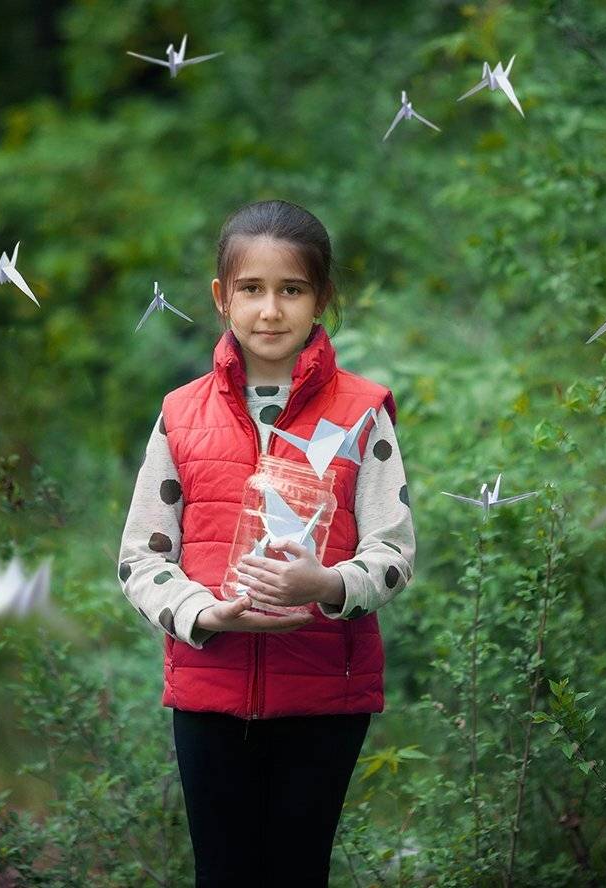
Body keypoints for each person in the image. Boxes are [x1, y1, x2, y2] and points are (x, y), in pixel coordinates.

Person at [118, 199, 415, 887]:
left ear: (321, 299)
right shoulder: (179, 415)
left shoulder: (361, 412)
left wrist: (326, 585)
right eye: (251, 289)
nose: (270, 311)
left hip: (323, 697)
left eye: (291, 289)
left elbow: (393, 555)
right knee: (221, 874)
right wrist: (202, 613)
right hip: (208, 689)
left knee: (294, 871)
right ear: (222, 298)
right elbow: (141, 557)